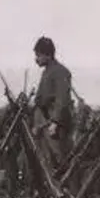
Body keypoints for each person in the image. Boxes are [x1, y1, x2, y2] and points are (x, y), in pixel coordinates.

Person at [32, 36, 74, 174]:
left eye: (38, 55)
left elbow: (62, 99)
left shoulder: (61, 71)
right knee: (46, 161)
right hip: (44, 122)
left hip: (53, 125)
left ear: (48, 55)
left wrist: (55, 122)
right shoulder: (48, 71)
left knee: (61, 160)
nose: (36, 59)